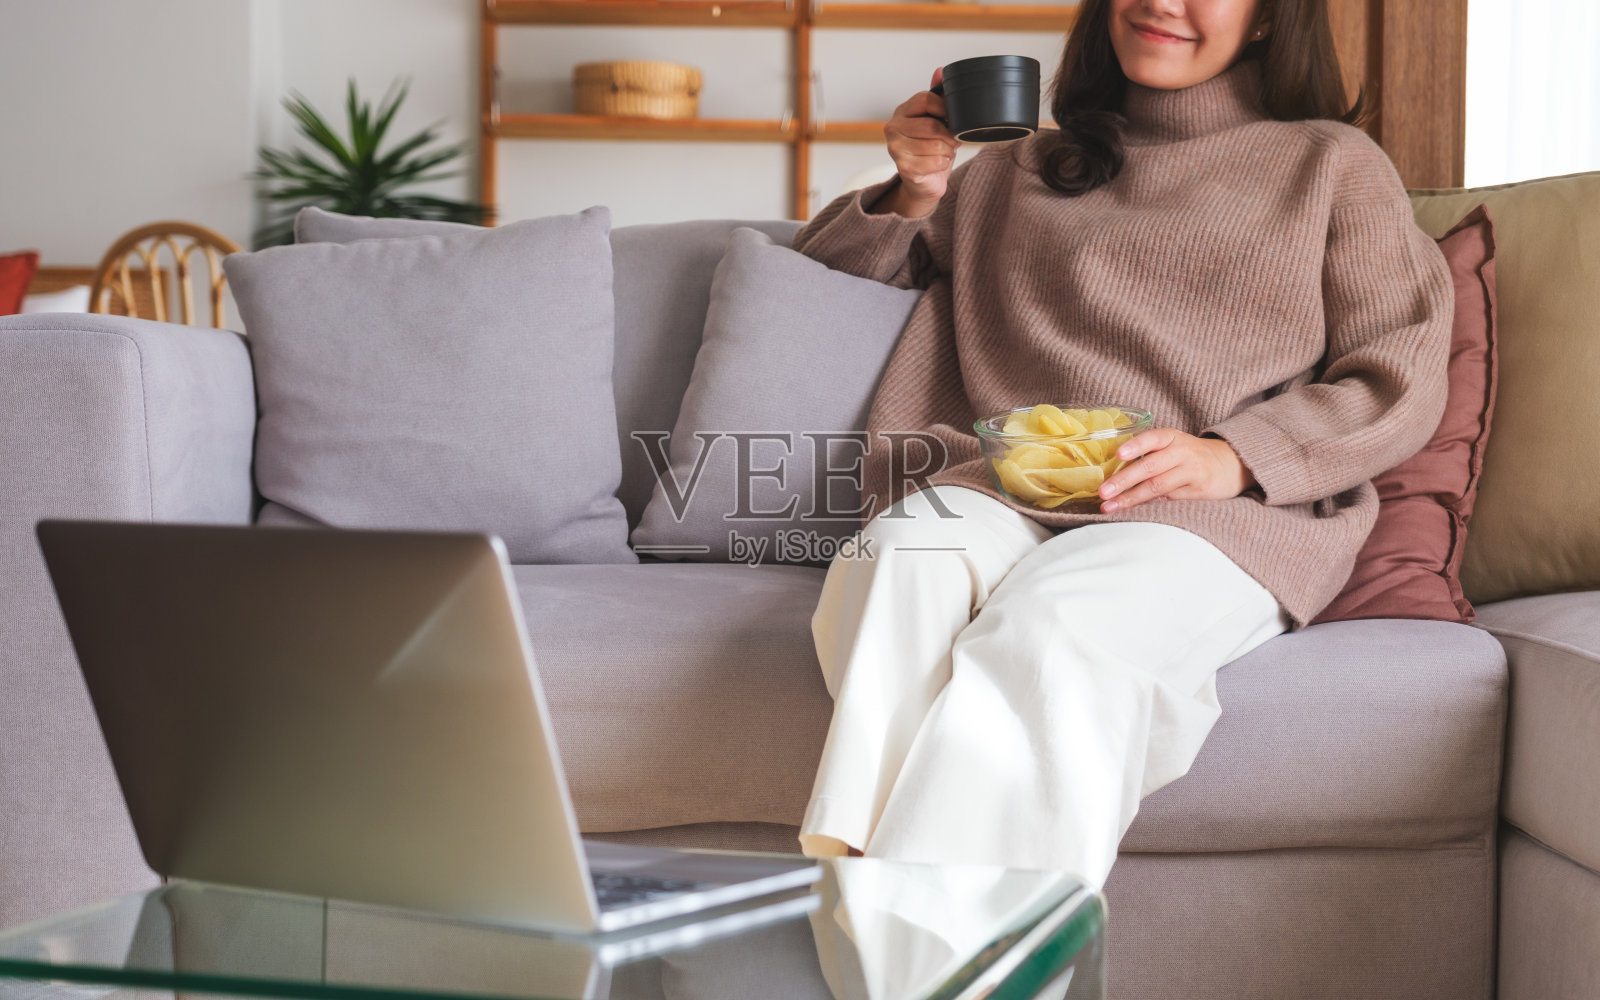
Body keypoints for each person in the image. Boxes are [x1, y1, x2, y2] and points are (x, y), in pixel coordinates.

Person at [790, 0, 1453, 888]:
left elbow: (1400, 370)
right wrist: (913, 187)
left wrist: (1236, 456)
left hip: (1203, 511)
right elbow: (820, 287)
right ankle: (912, 937)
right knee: (899, 557)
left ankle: (882, 929)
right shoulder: (1015, 168)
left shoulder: (1330, 163)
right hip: (1004, 485)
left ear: (1267, 19)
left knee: (1052, 629)